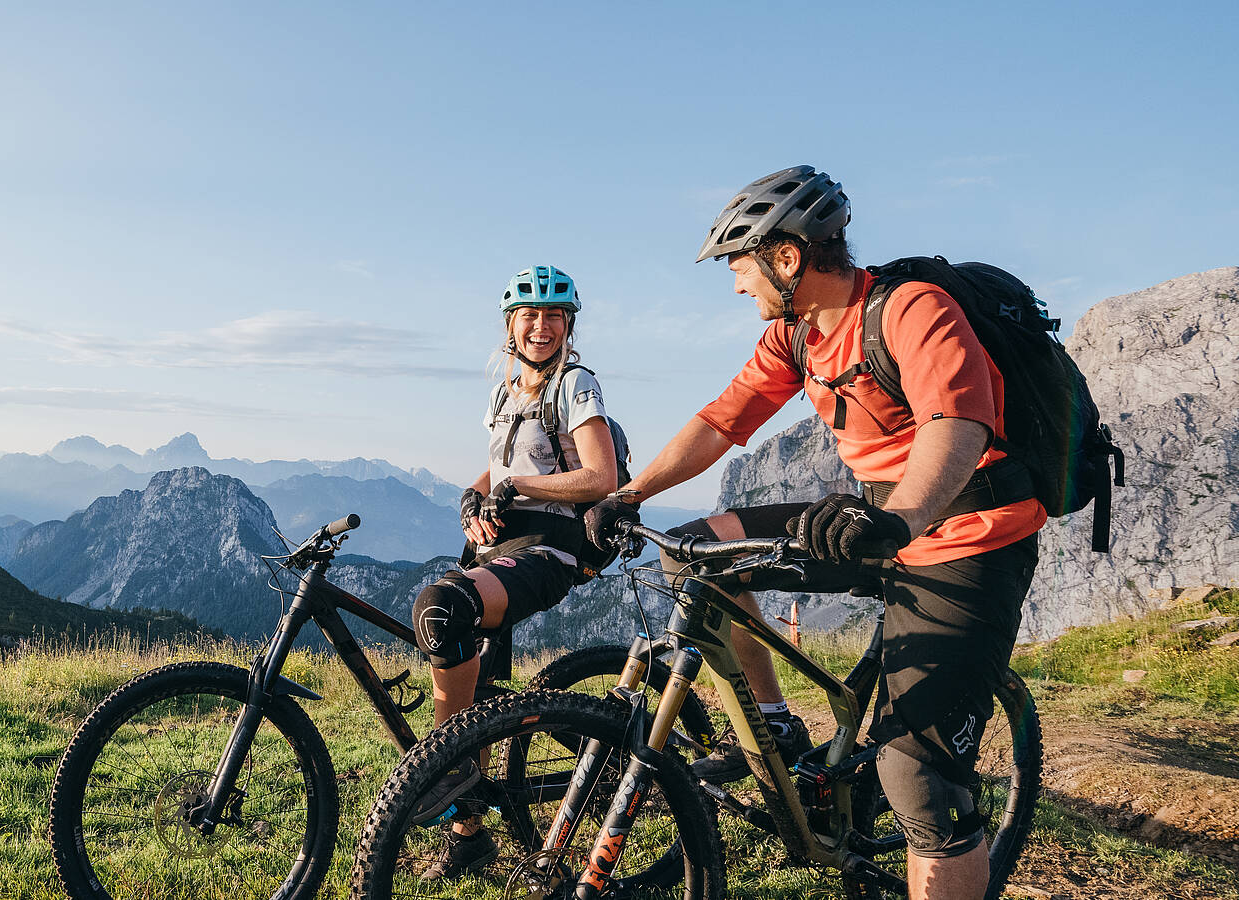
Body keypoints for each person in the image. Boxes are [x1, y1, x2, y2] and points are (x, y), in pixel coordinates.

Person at [593, 166, 1045, 900]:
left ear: (787, 258)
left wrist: (898, 518)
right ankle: (772, 727)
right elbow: (721, 420)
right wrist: (630, 492)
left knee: (919, 779)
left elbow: (957, 424)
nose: (737, 285)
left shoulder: (911, 311)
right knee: (703, 558)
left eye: (741, 266)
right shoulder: (795, 335)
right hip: (873, 521)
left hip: (968, 532)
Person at [411, 265, 619, 879]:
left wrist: (519, 487)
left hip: (551, 551)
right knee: (474, 692)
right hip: (499, 548)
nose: (541, 326)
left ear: (568, 324)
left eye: (554, 315)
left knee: (441, 610)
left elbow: (599, 477)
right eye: (530, 315)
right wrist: (473, 499)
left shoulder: (575, 385)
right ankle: (469, 839)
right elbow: (495, 469)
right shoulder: (507, 391)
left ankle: (443, 767)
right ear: (510, 325)